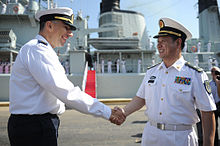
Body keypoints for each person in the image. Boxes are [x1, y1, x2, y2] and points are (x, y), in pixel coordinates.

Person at [7, 7, 125, 146]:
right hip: (33, 127)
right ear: (49, 26)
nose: (70, 34)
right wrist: (106, 111)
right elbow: (66, 91)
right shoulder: (37, 50)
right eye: (66, 28)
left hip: (35, 124)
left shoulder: (42, 50)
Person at [112, 17, 216, 146]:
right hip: (151, 135)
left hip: (180, 138)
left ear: (178, 43)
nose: (158, 45)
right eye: (158, 41)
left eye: (164, 41)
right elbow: (141, 98)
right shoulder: (151, 72)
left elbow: (207, 112)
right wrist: (124, 111)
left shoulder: (195, 74)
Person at [210, 67, 220, 146]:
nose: (214, 73)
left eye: (216, 72)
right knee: (214, 125)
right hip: (213, 106)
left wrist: (218, 83)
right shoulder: (209, 84)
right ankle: (216, 143)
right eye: (212, 71)